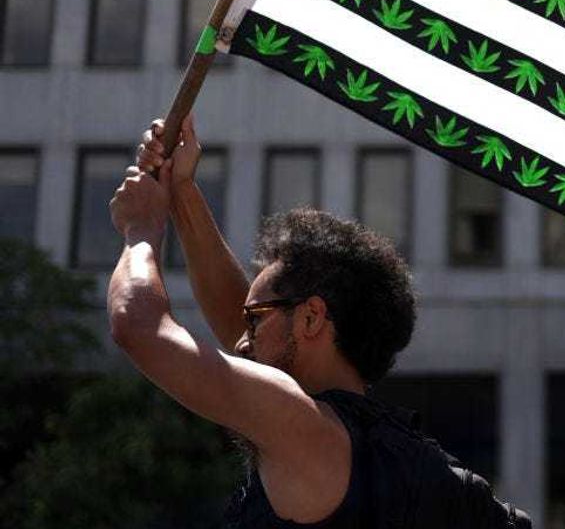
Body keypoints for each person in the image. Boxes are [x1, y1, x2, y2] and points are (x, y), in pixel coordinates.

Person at [108, 113, 531, 527]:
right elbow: (244, 324)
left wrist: (141, 229)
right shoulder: (390, 454)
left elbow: (138, 325)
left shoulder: (302, 426)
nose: (239, 342)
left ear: (311, 318)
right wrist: (180, 191)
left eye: (255, 320)